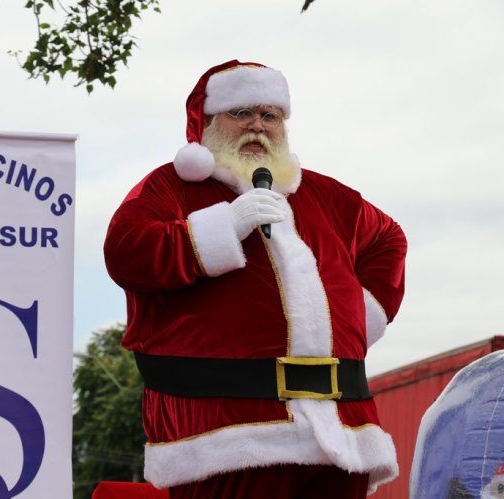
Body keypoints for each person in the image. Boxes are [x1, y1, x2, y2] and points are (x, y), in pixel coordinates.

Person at [103, 60, 407, 498]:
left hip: (341, 432)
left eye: (270, 116)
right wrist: (222, 228)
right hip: (226, 433)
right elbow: (125, 251)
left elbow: (388, 240)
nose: (257, 127)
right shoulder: (171, 187)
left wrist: (358, 317)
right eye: (242, 113)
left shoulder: (325, 195)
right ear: (208, 122)